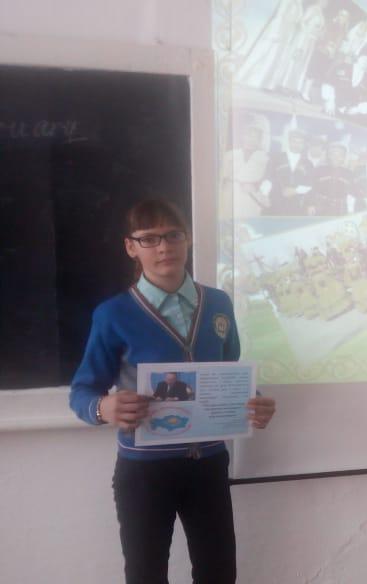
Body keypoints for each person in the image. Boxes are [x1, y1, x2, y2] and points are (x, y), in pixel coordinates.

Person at [68, 200, 276, 583]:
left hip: (209, 465)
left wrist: (254, 400)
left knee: (219, 573)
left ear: (188, 238)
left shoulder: (218, 303)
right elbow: (83, 390)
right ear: (131, 247)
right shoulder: (113, 314)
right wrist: (102, 408)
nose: (164, 247)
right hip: (145, 471)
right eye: (149, 238)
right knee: (146, 575)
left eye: (173, 235)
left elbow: (229, 371)